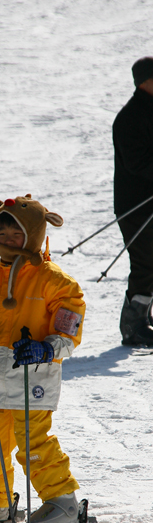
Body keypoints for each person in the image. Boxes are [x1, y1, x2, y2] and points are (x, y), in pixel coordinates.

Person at [0, 194, 85, 523]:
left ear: (35, 235)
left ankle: (63, 500)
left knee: (33, 442)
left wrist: (47, 349)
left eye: (18, 235)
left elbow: (69, 326)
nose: (9, 241)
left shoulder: (54, 280)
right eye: (3, 234)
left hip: (33, 376)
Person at [113, 57, 153, 346]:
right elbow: (136, 162)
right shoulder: (130, 117)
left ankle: (143, 318)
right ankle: (133, 325)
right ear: (145, 81)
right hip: (136, 205)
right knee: (145, 262)